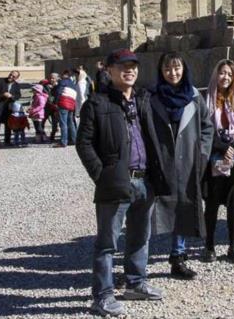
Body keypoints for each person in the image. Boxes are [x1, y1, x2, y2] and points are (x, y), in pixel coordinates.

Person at [76, 49, 169, 317]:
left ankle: (136, 283)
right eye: (123, 66)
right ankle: (102, 296)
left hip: (144, 180)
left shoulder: (142, 99)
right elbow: (84, 143)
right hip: (116, 182)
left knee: (140, 236)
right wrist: (101, 175)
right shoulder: (97, 103)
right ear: (109, 70)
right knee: (107, 242)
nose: (130, 70)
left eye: (133, 66)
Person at [150, 53, 214, 280]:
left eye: (176, 68)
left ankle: (178, 256)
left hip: (188, 160)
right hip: (161, 161)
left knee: (183, 208)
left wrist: (202, 154)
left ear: (184, 70)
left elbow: (207, 128)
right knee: (150, 209)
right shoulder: (152, 98)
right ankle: (135, 261)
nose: (173, 73)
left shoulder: (195, 97)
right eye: (167, 69)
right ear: (161, 71)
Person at [201, 59, 234, 264]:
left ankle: (233, 245)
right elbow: (204, 127)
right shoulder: (206, 98)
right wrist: (222, 148)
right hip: (214, 155)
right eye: (222, 73)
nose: (225, 77)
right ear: (215, 74)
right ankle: (209, 246)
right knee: (211, 204)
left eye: (230, 74)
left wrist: (233, 148)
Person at [0, 70, 21, 147]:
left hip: (9, 107)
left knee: (8, 124)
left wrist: (11, 96)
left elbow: (18, 95)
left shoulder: (17, 85)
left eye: (13, 76)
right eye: (10, 74)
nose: (10, 76)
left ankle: (7, 141)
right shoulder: (0, 80)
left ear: (16, 78)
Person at [54, 69, 79, 148]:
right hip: (71, 104)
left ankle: (63, 142)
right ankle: (74, 140)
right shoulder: (73, 84)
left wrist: (55, 102)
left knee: (63, 123)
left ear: (65, 74)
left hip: (63, 103)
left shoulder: (62, 82)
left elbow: (58, 92)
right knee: (70, 122)